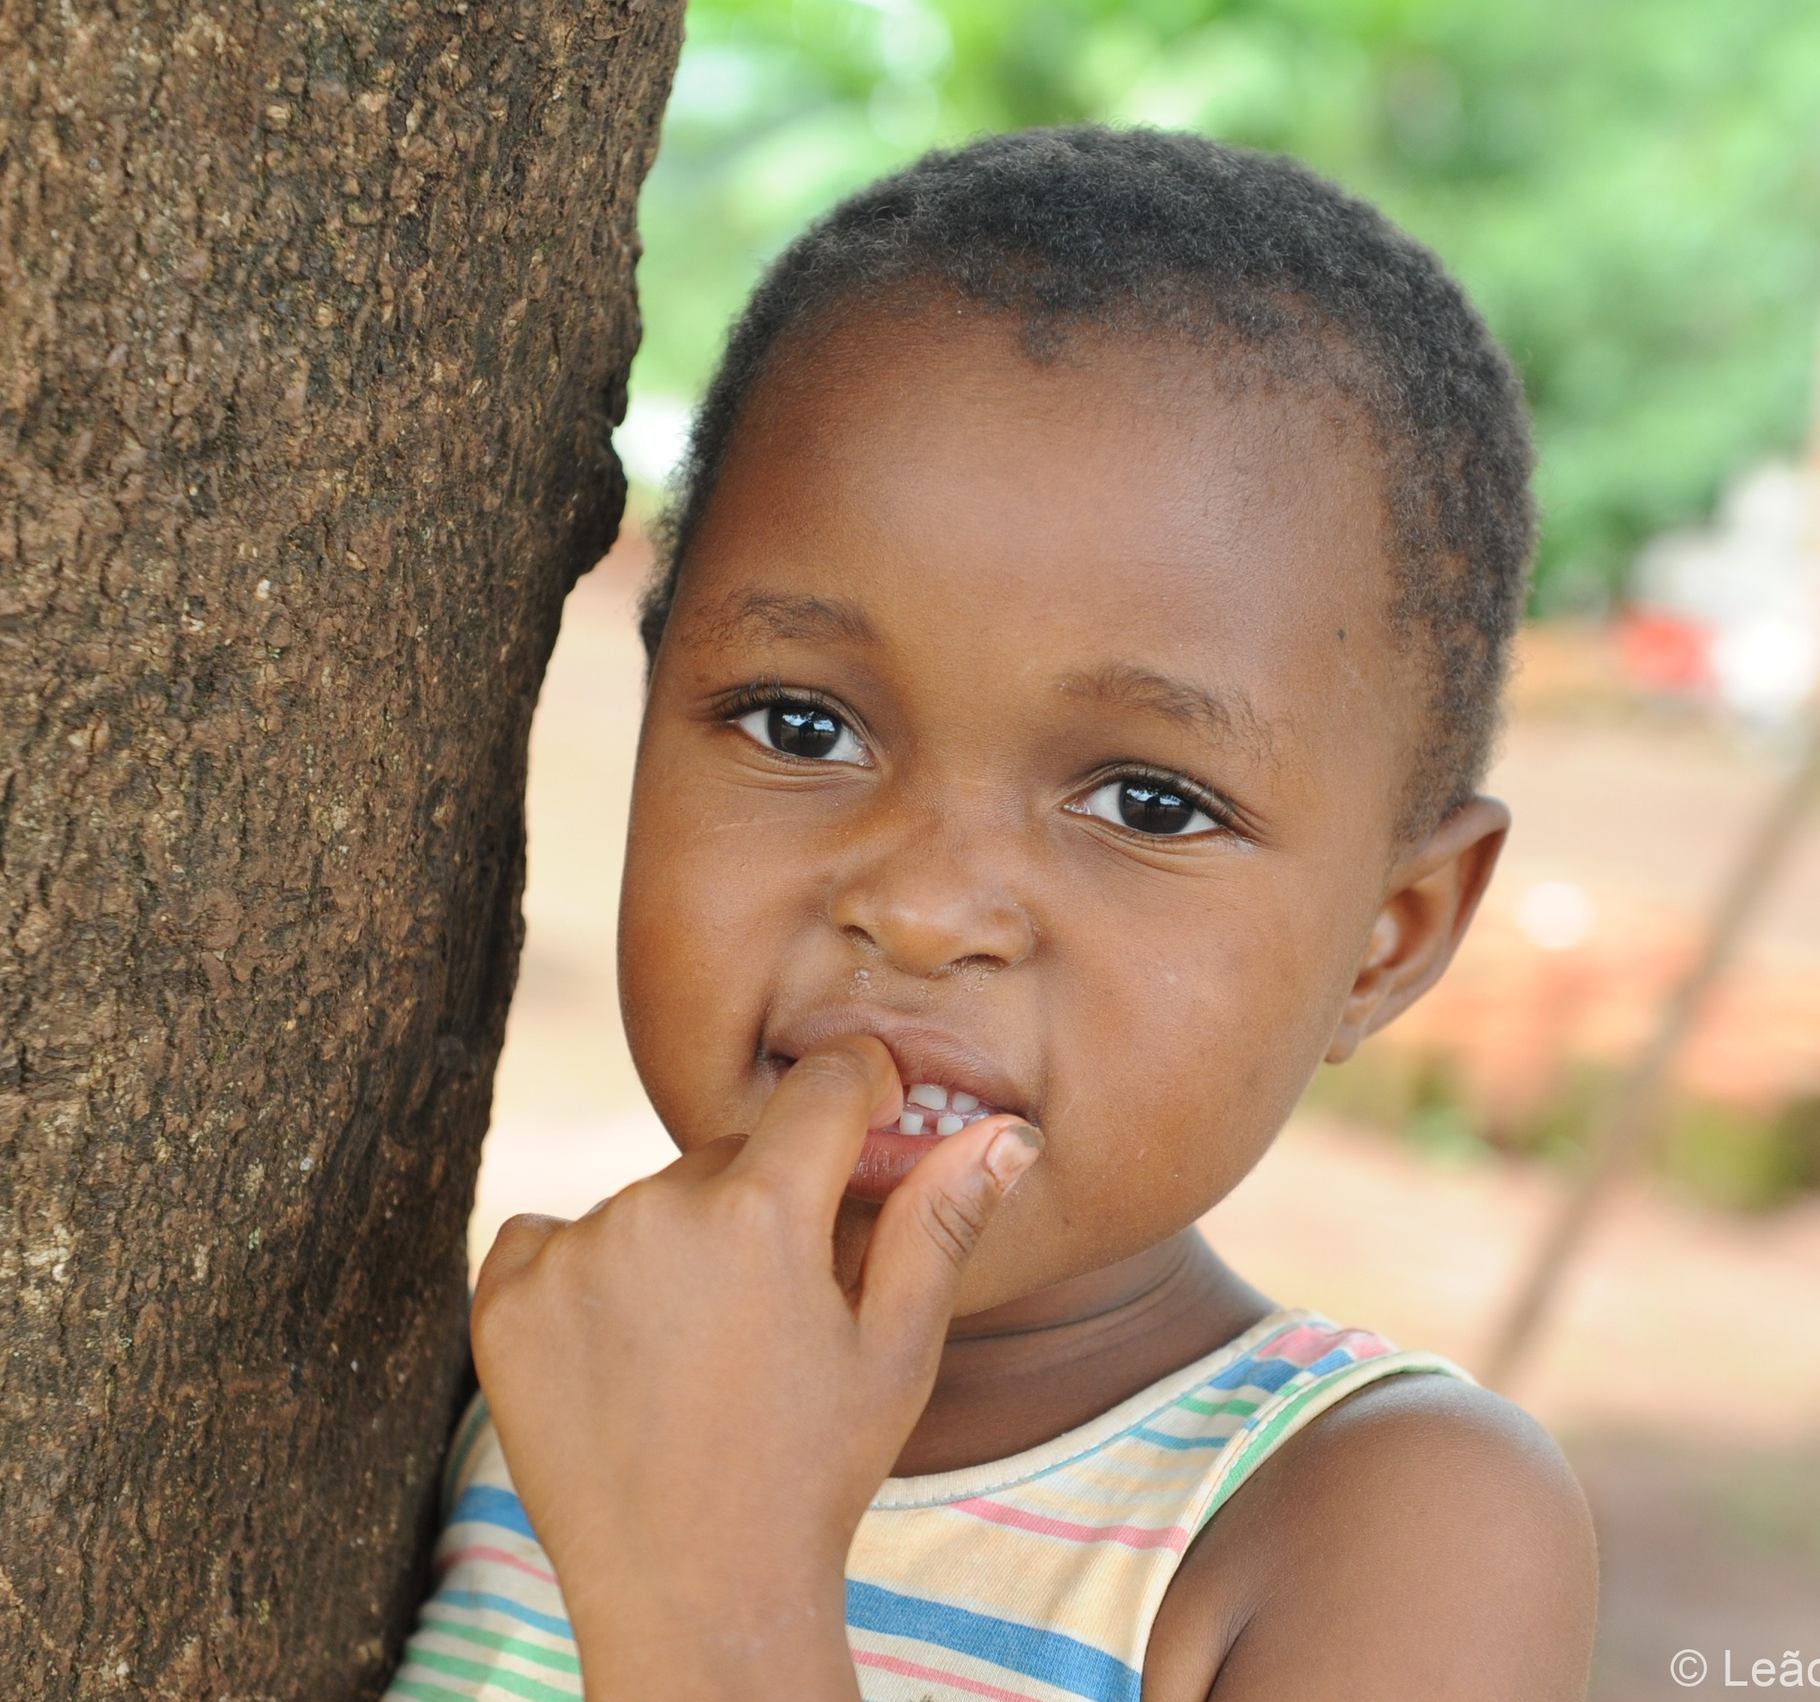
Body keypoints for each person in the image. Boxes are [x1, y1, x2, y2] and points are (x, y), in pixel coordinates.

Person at [386, 126, 1597, 1701]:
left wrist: (708, 1600)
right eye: (799, 723)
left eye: (1149, 802)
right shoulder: (549, 1356)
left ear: (1395, 932)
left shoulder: (1382, 1527)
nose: (923, 904)